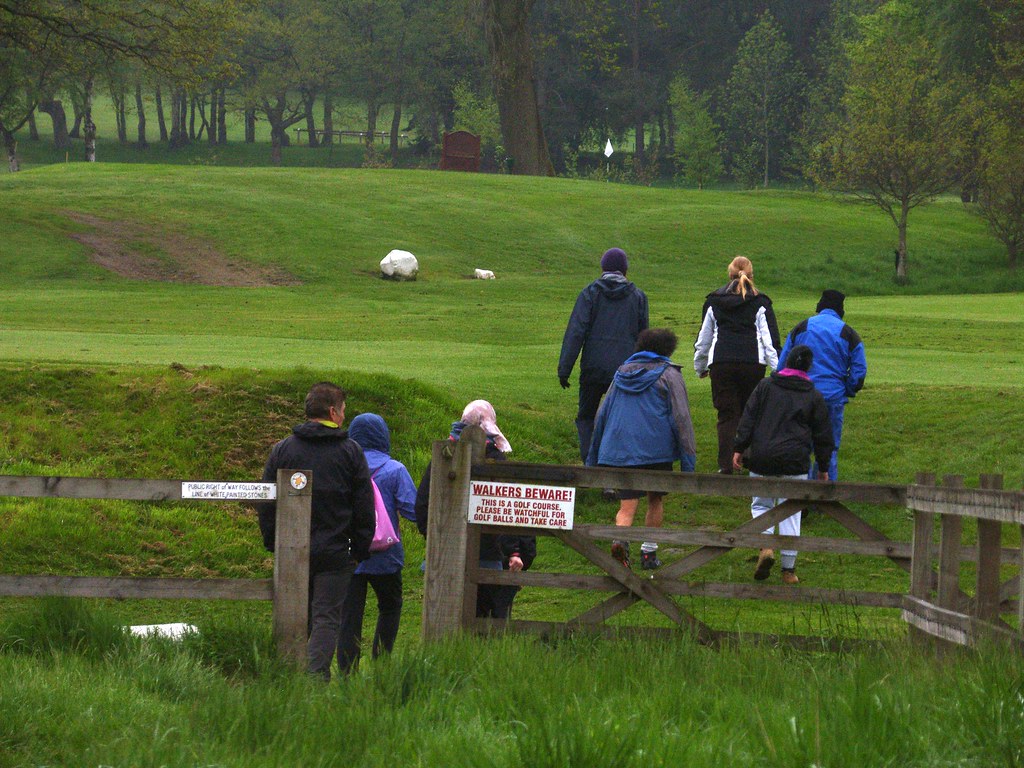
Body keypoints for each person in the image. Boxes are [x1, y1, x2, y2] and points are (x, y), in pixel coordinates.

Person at [256, 382, 375, 681]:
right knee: (327, 618)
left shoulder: (283, 449)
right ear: (333, 412)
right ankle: (315, 677)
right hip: (335, 551)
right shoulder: (350, 452)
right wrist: (360, 549)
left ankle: (285, 675)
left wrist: (273, 541)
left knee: (293, 615)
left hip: (292, 549)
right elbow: (363, 505)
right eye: (344, 411)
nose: (344, 417)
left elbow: (266, 502)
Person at [587, 328, 697, 570]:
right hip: (657, 450)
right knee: (655, 499)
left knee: (626, 505)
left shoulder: (620, 373)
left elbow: (602, 413)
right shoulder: (669, 374)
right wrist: (688, 460)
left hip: (622, 449)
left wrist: (593, 456)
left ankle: (620, 541)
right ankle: (649, 552)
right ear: (668, 348)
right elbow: (681, 417)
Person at [415, 400, 536, 618]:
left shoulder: (445, 455)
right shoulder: (496, 461)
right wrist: (514, 551)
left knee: (444, 614)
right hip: (488, 554)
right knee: (482, 618)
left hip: (444, 551)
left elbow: (423, 504)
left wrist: (434, 538)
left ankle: (446, 651)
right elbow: (507, 509)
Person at [731, 345, 834, 585]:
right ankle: (788, 570)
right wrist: (823, 466)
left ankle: (765, 546)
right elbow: (823, 435)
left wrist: (738, 447)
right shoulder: (813, 395)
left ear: (787, 362)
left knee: (761, 504)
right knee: (792, 511)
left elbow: (748, 419)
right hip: (795, 461)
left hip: (762, 456)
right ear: (809, 367)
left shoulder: (765, 386)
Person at [338, 413, 417, 674]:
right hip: (387, 555)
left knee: (349, 617)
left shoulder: (343, 467)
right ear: (383, 435)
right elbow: (412, 511)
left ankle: (347, 674)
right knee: (390, 607)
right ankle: (381, 665)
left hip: (349, 553)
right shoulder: (395, 469)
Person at [558, 247, 649, 462]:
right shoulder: (638, 297)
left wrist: (565, 369)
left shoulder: (590, 293)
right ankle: (611, 467)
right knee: (617, 419)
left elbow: (575, 332)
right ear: (625, 270)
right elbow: (644, 337)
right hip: (624, 370)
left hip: (593, 368)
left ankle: (591, 465)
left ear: (603, 268)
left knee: (587, 417)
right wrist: (644, 371)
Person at [693, 256, 780, 474]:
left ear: (729, 274)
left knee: (727, 414)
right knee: (751, 412)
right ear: (751, 275)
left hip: (722, 363)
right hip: (752, 363)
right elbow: (769, 340)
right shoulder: (760, 302)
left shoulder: (714, 301)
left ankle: (726, 465)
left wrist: (700, 366)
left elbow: (704, 340)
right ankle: (748, 458)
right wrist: (777, 369)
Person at [777, 289, 867, 481]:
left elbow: (782, 365)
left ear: (820, 307)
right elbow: (859, 373)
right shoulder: (847, 332)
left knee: (801, 444)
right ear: (840, 310)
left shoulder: (802, 327)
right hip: (832, 397)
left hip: (802, 395)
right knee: (829, 447)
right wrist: (847, 389)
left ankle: (800, 496)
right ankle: (825, 497)